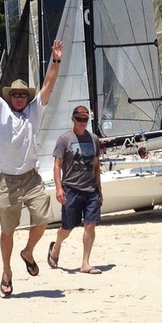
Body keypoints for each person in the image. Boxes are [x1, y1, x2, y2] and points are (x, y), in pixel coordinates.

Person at [0, 38, 64, 297]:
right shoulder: (0, 111)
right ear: (10, 97)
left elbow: (49, 83)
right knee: (7, 231)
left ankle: (28, 252)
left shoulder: (34, 111)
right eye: (15, 94)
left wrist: (56, 59)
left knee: (43, 220)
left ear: (26, 98)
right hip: (7, 181)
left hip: (31, 178)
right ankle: (7, 272)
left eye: (22, 95)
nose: (18, 98)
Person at [48, 105, 103, 275]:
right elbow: (57, 165)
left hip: (91, 189)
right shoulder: (65, 139)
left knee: (90, 225)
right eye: (79, 119)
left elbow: (96, 166)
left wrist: (99, 190)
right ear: (72, 119)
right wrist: (58, 188)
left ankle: (85, 263)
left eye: (85, 120)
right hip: (71, 188)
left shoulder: (93, 139)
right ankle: (56, 247)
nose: (82, 123)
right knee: (67, 227)